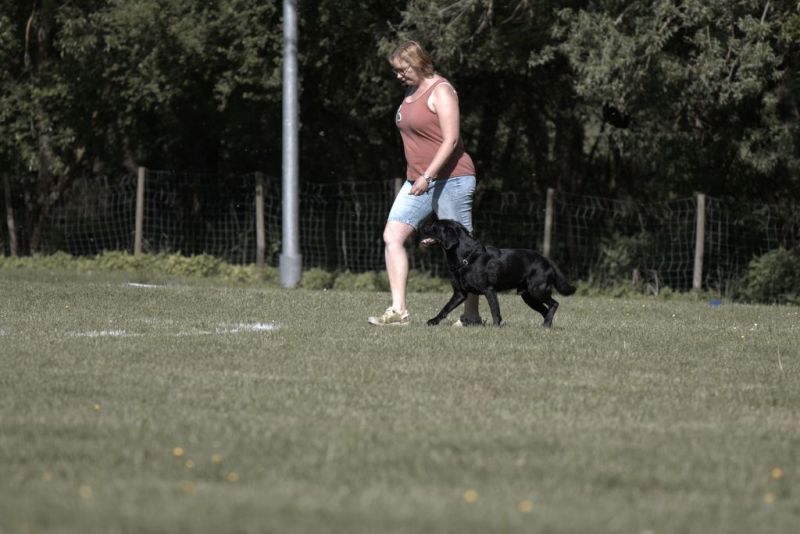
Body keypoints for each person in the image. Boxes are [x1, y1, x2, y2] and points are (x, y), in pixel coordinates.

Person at [368, 40, 482, 327]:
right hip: (417, 180)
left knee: (463, 250)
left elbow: (451, 140)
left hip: (451, 179)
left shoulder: (441, 90)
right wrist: (421, 177)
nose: (398, 75)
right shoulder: (411, 91)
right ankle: (398, 311)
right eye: (395, 70)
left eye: (402, 69)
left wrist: (428, 176)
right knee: (392, 236)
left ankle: (471, 316)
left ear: (418, 62)